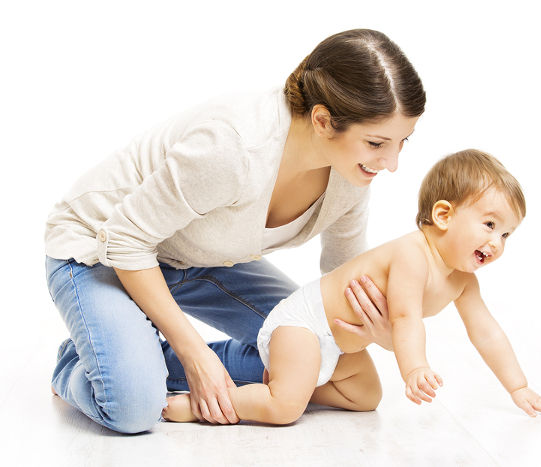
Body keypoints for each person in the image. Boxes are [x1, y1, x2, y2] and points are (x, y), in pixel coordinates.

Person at [45, 29, 425, 433]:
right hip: (99, 250)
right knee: (133, 407)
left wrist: (378, 329)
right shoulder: (234, 148)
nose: (391, 163)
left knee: (321, 360)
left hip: (198, 258)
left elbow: (342, 277)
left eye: (403, 142)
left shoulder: (351, 175)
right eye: (376, 143)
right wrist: (193, 354)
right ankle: (82, 362)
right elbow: (125, 238)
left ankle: (131, 357)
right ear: (322, 120)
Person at [162, 149, 541, 425]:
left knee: (366, 398)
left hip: (339, 346)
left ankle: (295, 385)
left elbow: (487, 331)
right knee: (284, 409)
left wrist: (519, 386)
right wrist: (415, 368)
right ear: (443, 214)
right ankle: (198, 407)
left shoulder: (463, 282)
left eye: (508, 235)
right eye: (490, 225)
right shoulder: (412, 255)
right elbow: (405, 316)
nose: (496, 243)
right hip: (303, 327)